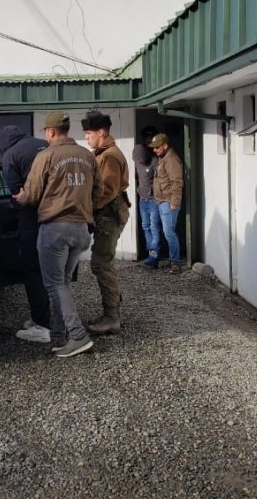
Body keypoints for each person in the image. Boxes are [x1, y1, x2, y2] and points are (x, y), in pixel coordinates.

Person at [14, 112, 101, 358]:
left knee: (53, 285)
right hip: (81, 230)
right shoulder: (87, 155)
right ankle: (58, 336)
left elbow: (31, 194)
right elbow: (99, 190)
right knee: (62, 283)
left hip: (55, 230)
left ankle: (78, 335)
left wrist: (20, 197)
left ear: (51, 131)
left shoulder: (46, 156)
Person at [0, 125, 51, 343]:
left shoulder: (10, 155)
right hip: (60, 215)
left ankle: (42, 324)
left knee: (32, 270)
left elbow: (17, 194)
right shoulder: (45, 145)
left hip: (33, 218)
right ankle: (57, 320)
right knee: (56, 273)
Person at [82, 110, 130, 335]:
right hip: (109, 214)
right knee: (103, 262)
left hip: (109, 215)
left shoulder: (109, 156)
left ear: (101, 132)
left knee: (101, 263)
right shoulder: (104, 153)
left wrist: (87, 209)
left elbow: (107, 191)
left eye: (88, 133)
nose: (86, 137)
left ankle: (112, 317)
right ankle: (112, 312)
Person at [150, 132, 184, 273]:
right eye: (154, 147)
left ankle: (175, 263)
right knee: (167, 232)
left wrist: (174, 203)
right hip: (162, 201)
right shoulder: (164, 158)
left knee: (169, 233)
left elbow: (177, 182)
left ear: (165, 145)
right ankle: (172, 260)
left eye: (157, 147)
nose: (154, 150)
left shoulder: (171, 159)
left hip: (168, 202)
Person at [133, 126, 160, 269]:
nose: (149, 140)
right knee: (146, 227)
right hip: (143, 198)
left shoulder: (156, 155)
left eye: (151, 137)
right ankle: (151, 255)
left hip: (154, 198)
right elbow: (141, 163)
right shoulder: (140, 150)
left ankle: (154, 256)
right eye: (147, 137)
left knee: (154, 227)